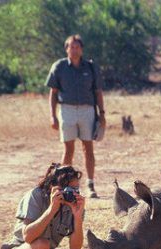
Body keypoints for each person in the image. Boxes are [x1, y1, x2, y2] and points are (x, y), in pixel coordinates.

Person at [45, 34, 106, 198]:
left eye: (77, 46)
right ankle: (65, 185)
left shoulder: (90, 67)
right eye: (71, 46)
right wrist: (52, 115)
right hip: (67, 110)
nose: (74, 49)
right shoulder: (59, 67)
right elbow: (53, 93)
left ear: (82, 49)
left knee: (88, 148)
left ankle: (91, 184)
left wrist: (102, 114)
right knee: (68, 149)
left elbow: (98, 92)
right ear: (66, 49)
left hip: (87, 110)